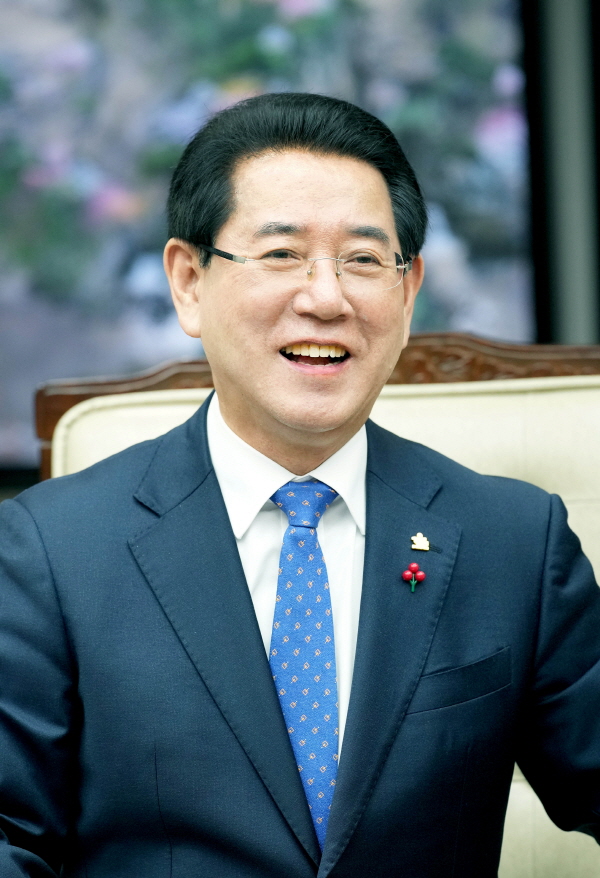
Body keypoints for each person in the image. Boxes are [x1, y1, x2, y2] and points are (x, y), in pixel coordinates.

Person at [0, 92, 599, 878]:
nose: (325, 298)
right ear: (189, 281)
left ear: (408, 292)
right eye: (282, 254)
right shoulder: (49, 552)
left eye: (363, 260)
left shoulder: (513, 542)